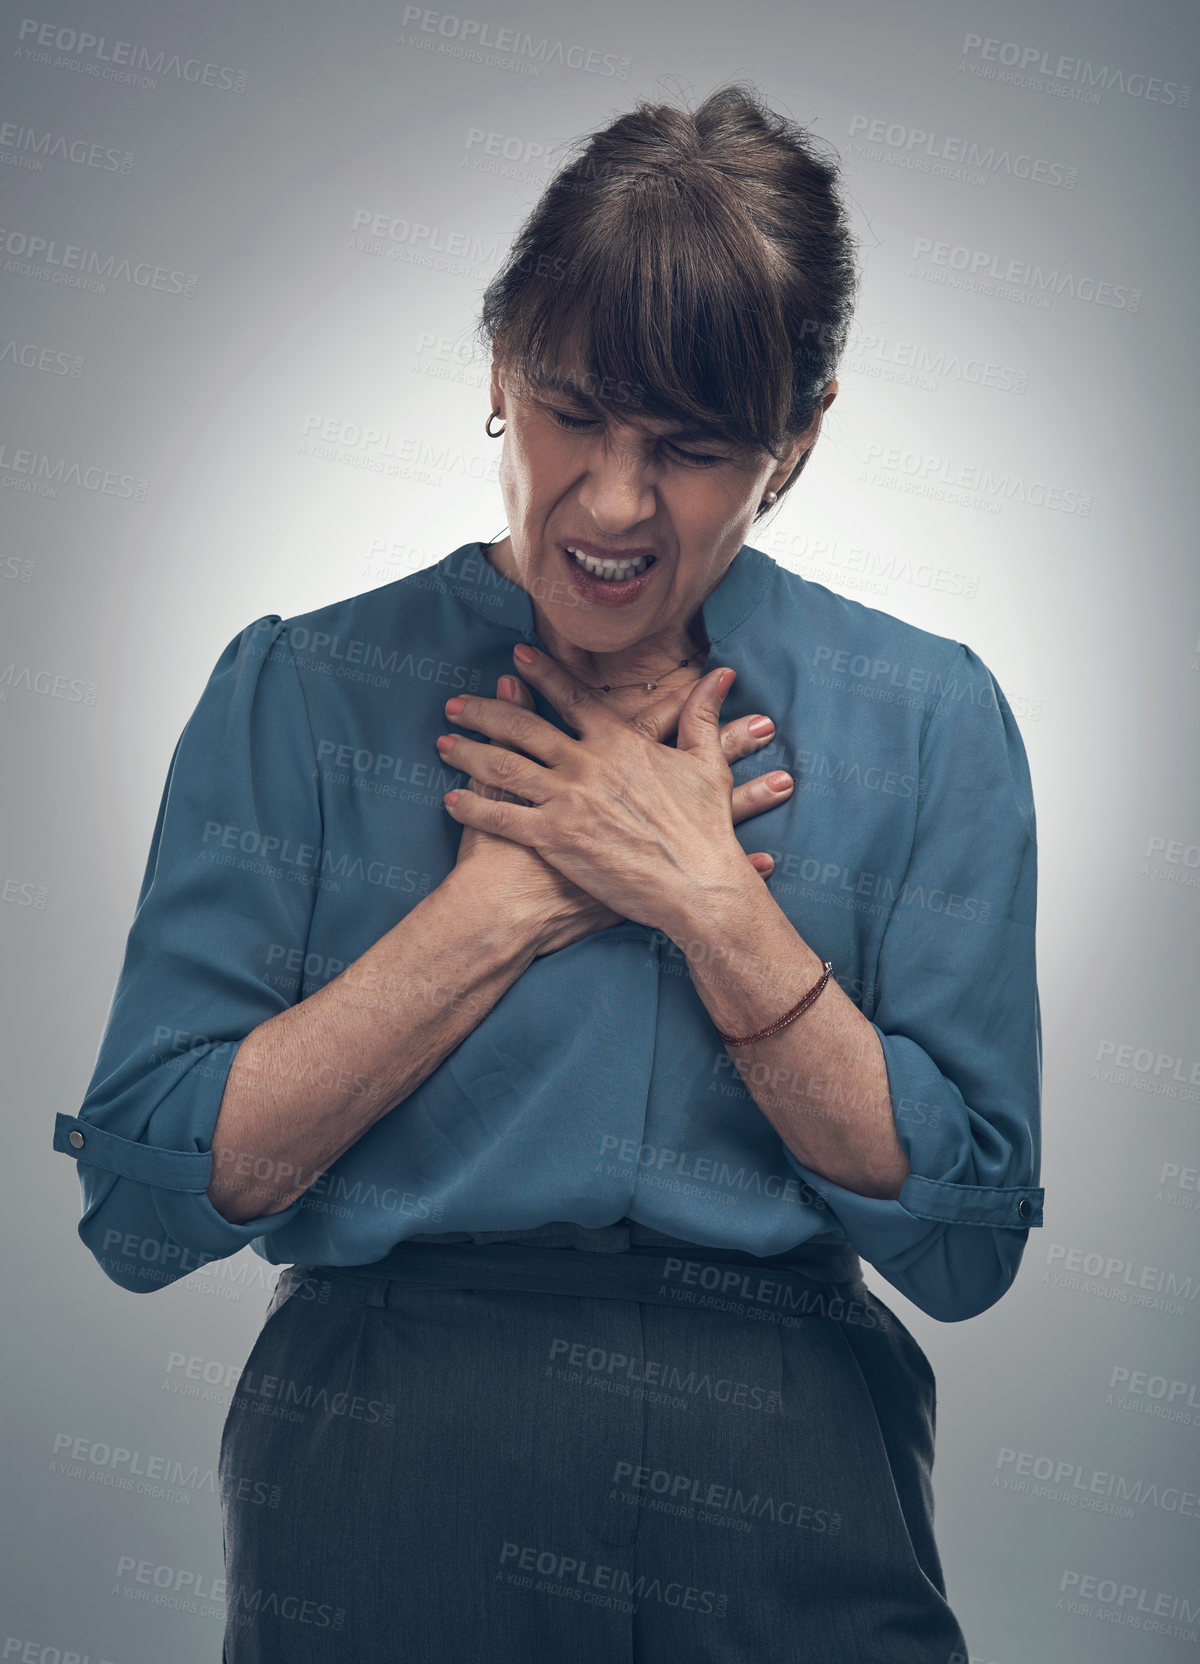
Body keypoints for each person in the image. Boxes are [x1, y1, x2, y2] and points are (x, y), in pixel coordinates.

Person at [52, 83, 1043, 1662]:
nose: (614, 501)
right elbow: (147, 1203)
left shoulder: (934, 721)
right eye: (576, 408)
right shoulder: (300, 694)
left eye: (697, 447)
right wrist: (496, 910)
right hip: (387, 1479)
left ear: (800, 435)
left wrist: (713, 905)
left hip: (798, 1491)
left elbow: (968, 1244)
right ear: (501, 365)